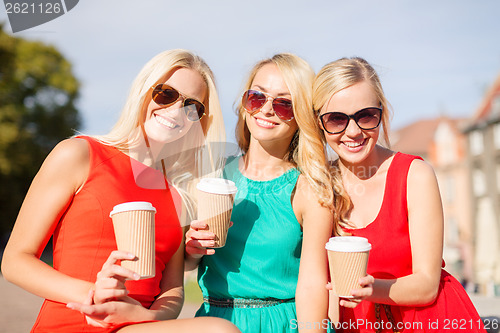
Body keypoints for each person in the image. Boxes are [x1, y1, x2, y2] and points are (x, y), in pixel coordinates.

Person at [1, 49, 239, 333]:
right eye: (166, 94)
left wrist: (144, 316)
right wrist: (95, 295)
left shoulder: (180, 193)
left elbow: (172, 290)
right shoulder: (78, 154)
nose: (176, 111)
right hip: (76, 322)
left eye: (192, 107)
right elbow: (15, 261)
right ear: (143, 91)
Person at [312, 56, 487, 333]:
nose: (354, 131)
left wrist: (371, 290)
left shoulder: (415, 175)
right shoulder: (319, 184)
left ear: (381, 113)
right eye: (336, 119)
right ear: (319, 122)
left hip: (429, 322)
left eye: (366, 116)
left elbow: (428, 285)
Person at [185, 53, 337, 333]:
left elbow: (312, 284)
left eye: (284, 104)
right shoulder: (212, 174)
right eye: (257, 97)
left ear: (301, 114)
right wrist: (193, 251)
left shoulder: (309, 187)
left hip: (282, 324)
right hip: (213, 322)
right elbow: (182, 265)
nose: (266, 110)